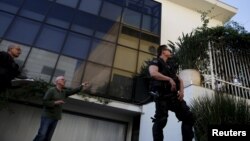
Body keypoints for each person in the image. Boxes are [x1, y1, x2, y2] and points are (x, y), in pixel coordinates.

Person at [148, 45, 195, 141]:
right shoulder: (155, 62)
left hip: (173, 96)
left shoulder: (169, 65)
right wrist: (168, 79)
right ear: (163, 51)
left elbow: (180, 80)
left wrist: (182, 91)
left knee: (188, 117)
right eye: (169, 50)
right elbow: (153, 73)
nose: (171, 52)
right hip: (162, 96)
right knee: (161, 121)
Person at [33, 76, 89, 141]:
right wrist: (55, 102)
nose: (64, 81)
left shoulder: (63, 92)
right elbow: (44, 102)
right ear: (57, 81)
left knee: (48, 138)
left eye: (64, 80)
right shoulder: (51, 90)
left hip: (55, 118)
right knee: (42, 135)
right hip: (47, 117)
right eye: (63, 79)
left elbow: (73, 91)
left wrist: (82, 85)